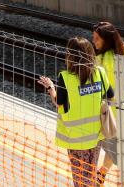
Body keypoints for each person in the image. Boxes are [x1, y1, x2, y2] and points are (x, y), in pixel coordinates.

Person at [38, 37, 113, 187]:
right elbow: (110, 95)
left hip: (76, 138)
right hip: (96, 135)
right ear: (90, 54)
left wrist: (50, 88)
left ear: (70, 56)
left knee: (80, 178)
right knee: (91, 172)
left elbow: (59, 103)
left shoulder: (65, 78)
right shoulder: (100, 73)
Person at [92, 22, 124, 186]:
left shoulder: (101, 61)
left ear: (106, 40)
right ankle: (102, 173)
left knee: (122, 155)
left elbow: (97, 89)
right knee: (118, 149)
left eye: (96, 38)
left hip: (111, 115)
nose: (94, 41)